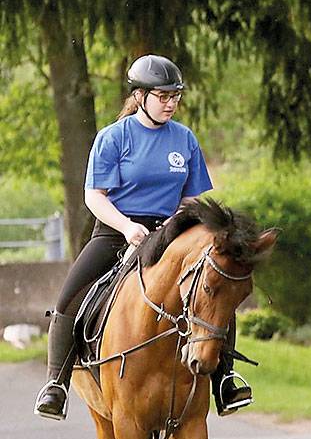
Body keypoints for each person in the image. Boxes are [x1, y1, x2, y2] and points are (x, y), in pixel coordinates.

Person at [34, 55, 254, 419]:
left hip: (169, 233)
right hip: (117, 231)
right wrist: (126, 226)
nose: (170, 103)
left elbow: (191, 196)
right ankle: (55, 384)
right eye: (162, 96)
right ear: (140, 96)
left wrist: (180, 225)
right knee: (68, 299)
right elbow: (94, 196)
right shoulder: (113, 137)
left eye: (175, 97)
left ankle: (225, 380)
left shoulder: (184, 139)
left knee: (214, 293)